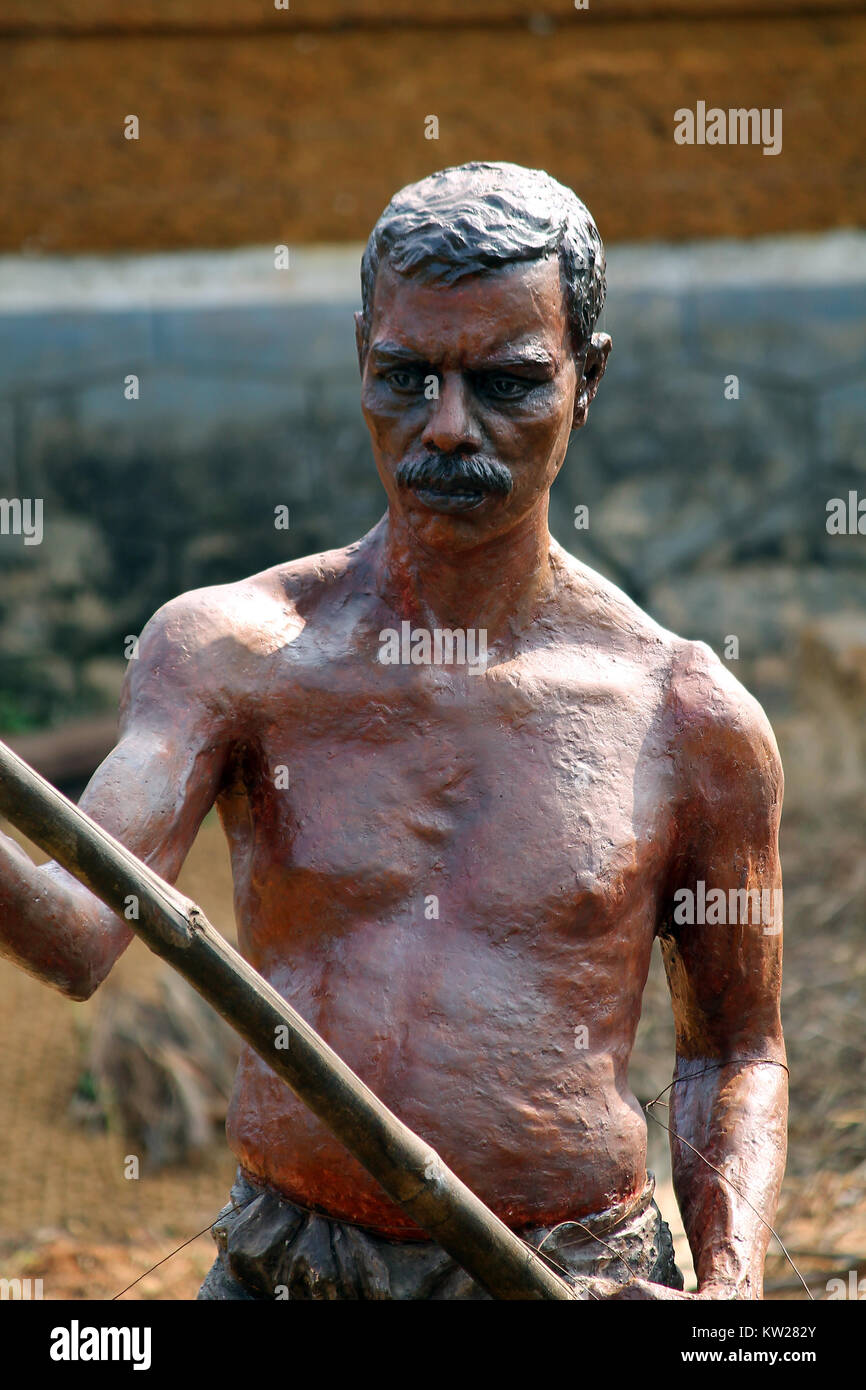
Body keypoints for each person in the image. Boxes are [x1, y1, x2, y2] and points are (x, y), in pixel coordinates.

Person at [0, 162, 787, 1300]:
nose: (447, 428)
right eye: (405, 377)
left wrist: (726, 1295)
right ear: (358, 361)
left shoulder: (687, 716)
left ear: (588, 380)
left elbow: (733, 1051)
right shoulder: (233, 652)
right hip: (286, 1267)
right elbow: (78, 932)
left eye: (507, 383)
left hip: (555, 1274)